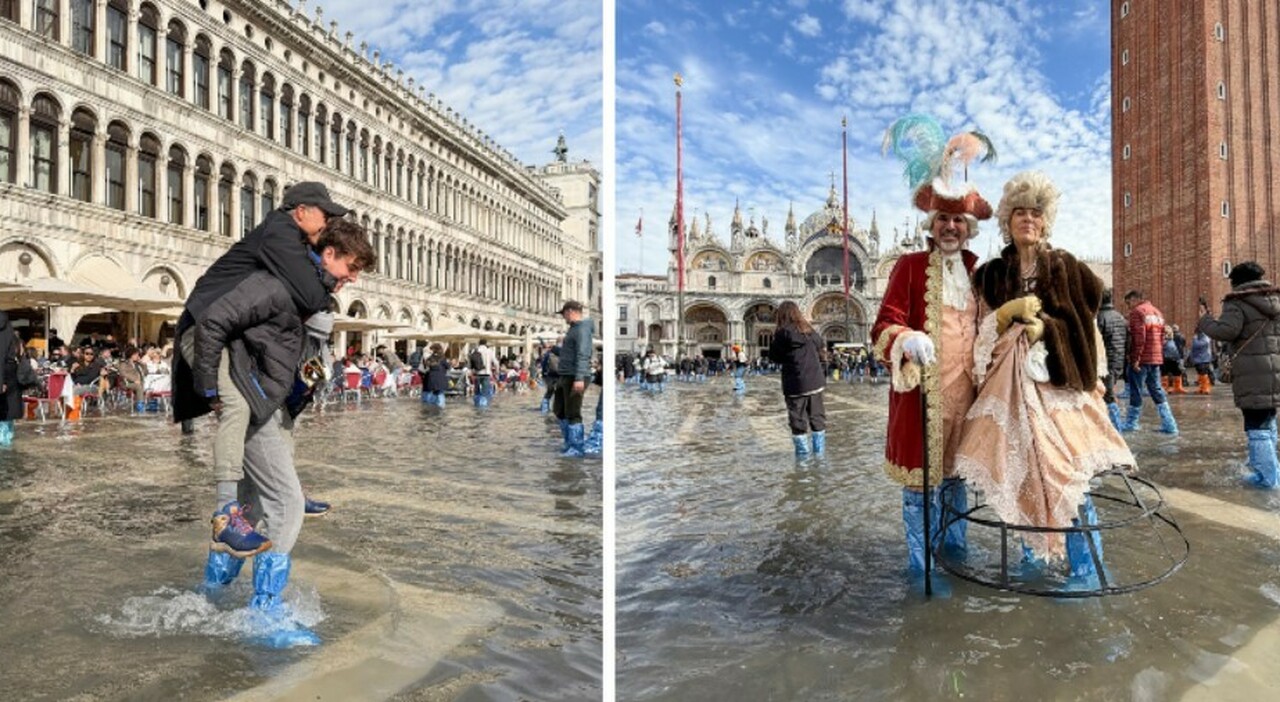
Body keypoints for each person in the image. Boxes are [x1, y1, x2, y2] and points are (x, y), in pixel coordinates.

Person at [188, 219, 373, 643]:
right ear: (329, 254)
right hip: (255, 405)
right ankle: (263, 617)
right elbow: (213, 323)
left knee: (253, 507)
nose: (353, 278)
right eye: (352, 266)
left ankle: (211, 595)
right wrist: (210, 388)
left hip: (270, 404)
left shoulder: (311, 295)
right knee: (286, 504)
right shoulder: (278, 285)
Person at [955, 171, 1136, 588]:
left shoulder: (1066, 266)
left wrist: (1046, 329)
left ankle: (1087, 566)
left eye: (1035, 213)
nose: (1028, 220)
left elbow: (1082, 324)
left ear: (1045, 220)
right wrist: (1005, 317)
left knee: (1068, 469)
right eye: (1019, 212)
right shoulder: (992, 274)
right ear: (1008, 220)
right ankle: (1034, 553)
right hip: (1009, 387)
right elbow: (978, 329)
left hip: (1058, 385)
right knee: (1020, 470)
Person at [175, 182, 344, 549]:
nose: (327, 221)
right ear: (300, 210)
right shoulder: (279, 231)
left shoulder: (292, 243)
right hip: (205, 328)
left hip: (227, 335)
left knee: (282, 412)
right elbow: (313, 295)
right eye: (324, 214)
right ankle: (225, 514)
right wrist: (206, 386)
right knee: (235, 404)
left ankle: (223, 573)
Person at [873, 114, 992, 590]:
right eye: (941, 218)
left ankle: (956, 553)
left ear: (968, 228)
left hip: (970, 399)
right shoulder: (909, 265)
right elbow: (883, 325)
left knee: (958, 483)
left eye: (956, 220)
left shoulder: (981, 272)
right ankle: (921, 565)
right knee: (921, 487)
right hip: (923, 398)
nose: (949, 227)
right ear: (931, 223)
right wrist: (905, 337)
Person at [1197, 261, 1280, 488]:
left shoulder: (1238, 302)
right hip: (1275, 370)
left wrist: (1205, 318)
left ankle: (1268, 479)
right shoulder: (1275, 299)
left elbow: (1225, 332)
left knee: (1256, 425)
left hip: (1253, 373)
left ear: (1237, 282)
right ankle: (1268, 471)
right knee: (1267, 419)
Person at [768, 301, 827, 458]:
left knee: (798, 420)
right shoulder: (809, 331)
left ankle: (802, 460)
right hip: (815, 381)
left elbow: (773, 356)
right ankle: (819, 456)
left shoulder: (783, 333)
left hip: (795, 384)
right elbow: (821, 346)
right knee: (817, 417)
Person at [1120, 289, 1179, 434]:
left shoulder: (1137, 312)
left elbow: (1139, 338)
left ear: (1134, 299)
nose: (1129, 307)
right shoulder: (1157, 312)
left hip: (1142, 359)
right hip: (1156, 358)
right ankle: (1170, 424)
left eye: (1128, 303)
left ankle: (1131, 423)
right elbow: (1161, 338)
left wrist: (1135, 359)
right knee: (1156, 389)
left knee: (1136, 390)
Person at [553, 300, 594, 456]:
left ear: (570, 311)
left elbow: (583, 354)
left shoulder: (582, 329)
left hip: (575, 375)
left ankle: (576, 447)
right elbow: (568, 353)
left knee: (573, 412)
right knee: (559, 410)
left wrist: (579, 378)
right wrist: (555, 349)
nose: (563, 317)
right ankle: (569, 441)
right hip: (565, 374)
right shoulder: (573, 329)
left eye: (564, 314)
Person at [1096, 289, 1128, 430]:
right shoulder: (1121, 317)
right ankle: (1112, 424)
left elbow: (1096, 342)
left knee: (1108, 394)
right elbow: (1128, 340)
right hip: (1119, 359)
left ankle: (1116, 427)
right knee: (1109, 390)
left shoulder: (1101, 317)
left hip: (1106, 361)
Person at [0, 311, 21, 447]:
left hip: (5, 381)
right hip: (8, 381)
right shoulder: (9, 332)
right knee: (6, 415)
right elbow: (10, 360)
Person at [420, 343, 450, 408]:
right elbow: (448, 366)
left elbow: (425, 367)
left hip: (431, 379)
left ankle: (433, 408)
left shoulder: (430, 358)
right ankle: (441, 408)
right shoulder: (442, 358)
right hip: (440, 378)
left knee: (433, 394)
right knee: (440, 394)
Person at [470, 339, 498, 406]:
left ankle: (477, 404)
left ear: (479, 343)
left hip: (477, 373)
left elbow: (471, 363)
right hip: (487, 374)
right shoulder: (490, 351)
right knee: (485, 392)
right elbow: (496, 363)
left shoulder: (475, 351)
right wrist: (496, 372)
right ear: (486, 343)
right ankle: (485, 406)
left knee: (477, 392)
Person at [1187, 328, 1215, 394]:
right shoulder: (1200, 337)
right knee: (1200, 374)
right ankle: (1201, 387)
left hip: (1203, 359)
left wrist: (1195, 339)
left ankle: (1206, 387)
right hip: (1199, 359)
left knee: (1203, 373)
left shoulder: (1205, 338)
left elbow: (1198, 345)